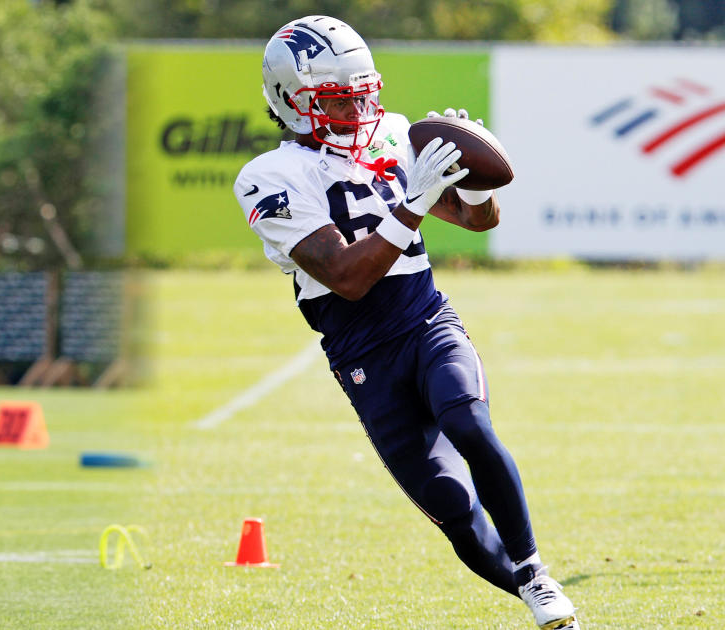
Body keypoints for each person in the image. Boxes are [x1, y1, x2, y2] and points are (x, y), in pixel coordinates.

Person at [234, 16, 579, 630]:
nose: (361, 111)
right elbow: (346, 274)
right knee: (449, 502)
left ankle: (536, 570)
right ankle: (528, 588)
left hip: (424, 320)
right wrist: (413, 201)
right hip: (362, 349)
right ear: (292, 103)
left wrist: (468, 184)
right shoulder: (270, 177)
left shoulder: (394, 134)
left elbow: (480, 222)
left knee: (466, 419)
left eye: (365, 94)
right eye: (339, 100)